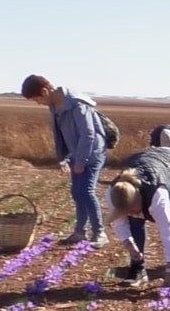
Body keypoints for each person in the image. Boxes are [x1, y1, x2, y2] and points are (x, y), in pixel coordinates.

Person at [21, 74, 109, 245]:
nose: (38, 103)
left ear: (45, 91)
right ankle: (80, 232)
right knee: (77, 192)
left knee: (87, 192)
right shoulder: (55, 105)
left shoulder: (76, 105)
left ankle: (100, 233)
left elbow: (88, 135)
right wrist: (64, 159)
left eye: (37, 99)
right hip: (76, 154)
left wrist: (81, 162)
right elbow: (60, 134)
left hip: (92, 153)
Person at [104, 145, 170, 288]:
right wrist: (130, 246)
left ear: (139, 200)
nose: (130, 213)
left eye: (131, 210)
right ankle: (138, 269)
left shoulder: (157, 196)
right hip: (149, 161)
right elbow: (120, 223)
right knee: (134, 222)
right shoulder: (114, 192)